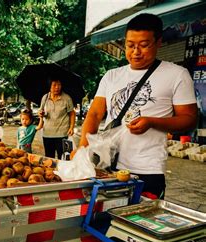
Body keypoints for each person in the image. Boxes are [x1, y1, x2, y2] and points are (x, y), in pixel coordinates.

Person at [78, 13, 197, 200]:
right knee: (102, 222)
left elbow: (189, 119)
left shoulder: (177, 74)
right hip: (106, 166)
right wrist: (82, 149)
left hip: (147, 170)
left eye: (143, 45)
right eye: (130, 45)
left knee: (139, 224)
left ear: (158, 42)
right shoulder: (111, 76)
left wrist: (151, 122)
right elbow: (94, 114)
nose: (136, 52)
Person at [38, 78, 76, 158]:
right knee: (49, 158)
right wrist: (41, 113)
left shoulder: (67, 98)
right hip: (47, 134)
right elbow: (41, 110)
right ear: (49, 86)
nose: (57, 87)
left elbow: (72, 113)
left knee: (63, 158)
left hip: (62, 134)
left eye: (59, 85)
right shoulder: (45, 97)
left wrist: (71, 127)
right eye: (54, 85)